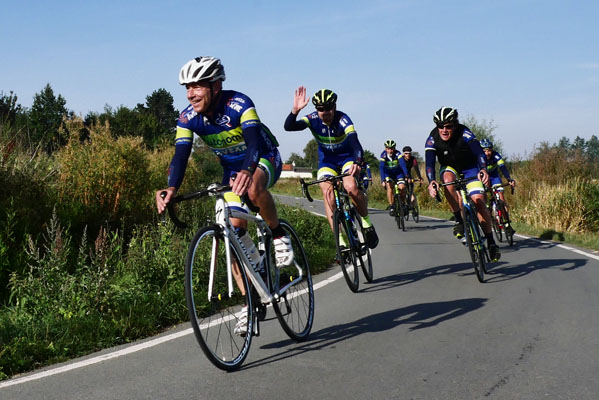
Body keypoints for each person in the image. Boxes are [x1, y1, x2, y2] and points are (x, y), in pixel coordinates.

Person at [155, 56, 292, 334]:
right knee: (232, 235)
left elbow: (253, 143)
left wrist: (248, 170)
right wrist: (171, 188)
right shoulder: (187, 118)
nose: (190, 94)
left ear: (215, 86)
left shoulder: (240, 104)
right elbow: (180, 155)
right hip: (231, 171)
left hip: (263, 158)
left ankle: (278, 234)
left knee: (252, 187)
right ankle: (251, 300)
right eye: (187, 88)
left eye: (197, 86)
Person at [284, 86, 378, 249]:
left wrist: (357, 162)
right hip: (327, 162)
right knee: (327, 193)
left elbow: (355, 144)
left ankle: (366, 223)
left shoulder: (343, 120)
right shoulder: (312, 119)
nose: (325, 112)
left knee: (351, 187)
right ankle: (339, 240)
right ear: (316, 109)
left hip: (347, 159)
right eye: (321, 109)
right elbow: (289, 127)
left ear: (334, 107)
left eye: (328, 108)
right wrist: (295, 111)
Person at [425, 107, 500, 261]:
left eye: (448, 126)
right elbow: (429, 163)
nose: (444, 130)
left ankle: (491, 241)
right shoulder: (433, 138)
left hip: (470, 168)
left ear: (455, 125)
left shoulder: (464, 133)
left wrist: (483, 169)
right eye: (440, 126)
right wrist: (431, 181)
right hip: (450, 168)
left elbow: (479, 153)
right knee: (447, 181)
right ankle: (459, 219)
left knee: (479, 200)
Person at [480, 139, 516, 234]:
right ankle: (487, 209)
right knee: (482, 197)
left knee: (501, 198)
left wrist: (509, 179)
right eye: (485, 151)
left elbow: (503, 168)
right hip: (483, 178)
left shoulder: (496, 155)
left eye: (489, 150)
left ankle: (507, 224)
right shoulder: (479, 157)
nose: (487, 153)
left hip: (494, 177)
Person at [379, 140, 409, 216]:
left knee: (402, 187)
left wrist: (406, 175)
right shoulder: (383, 155)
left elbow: (403, 165)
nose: (390, 151)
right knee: (389, 186)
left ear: (394, 148)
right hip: (388, 174)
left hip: (398, 173)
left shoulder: (398, 154)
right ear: (385, 149)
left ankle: (403, 204)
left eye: (392, 149)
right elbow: (381, 167)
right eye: (388, 149)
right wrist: (382, 180)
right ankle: (391, 206)